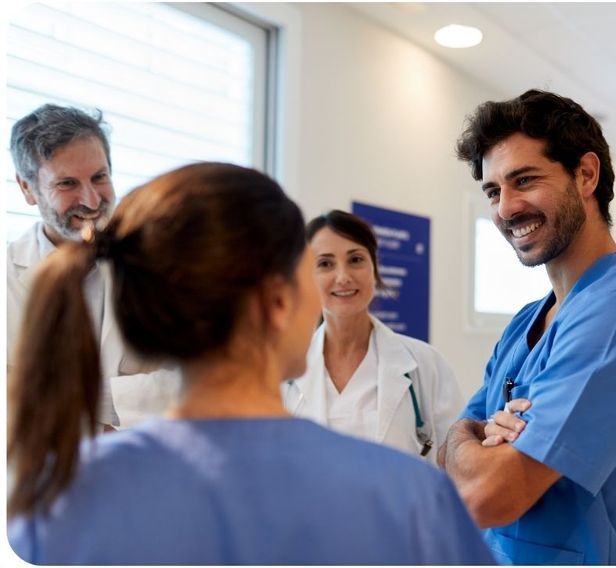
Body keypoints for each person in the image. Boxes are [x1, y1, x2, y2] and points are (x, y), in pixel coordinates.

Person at [7, 162, 494, 565]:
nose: (337, 280)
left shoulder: (60, 495)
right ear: (279, 303)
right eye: (315, 269)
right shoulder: (409, 498)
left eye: (354, 260)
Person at [439, 90, 616, 565]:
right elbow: (455, 445)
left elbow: (487, 495)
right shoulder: (526, 322)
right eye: (493, 191)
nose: (507, 208)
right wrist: (465, 438)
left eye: (525, 180)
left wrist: (471, 443)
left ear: (586, 174)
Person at [7, 103, 180, 429]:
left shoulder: (161, 263)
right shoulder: (8, 277)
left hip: (144, 468)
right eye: (67, 184)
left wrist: (92, 402)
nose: (90, 200)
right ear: (27, 189)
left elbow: (201, 380)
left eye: (99, 177)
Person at [283, 210, 464, 464]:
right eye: (325, 263)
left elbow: (457, 466)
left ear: (374, 268)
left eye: (356, 259)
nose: (343, 277)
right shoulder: (284, 374)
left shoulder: (425, 365)